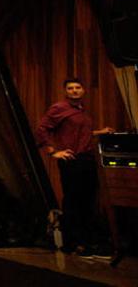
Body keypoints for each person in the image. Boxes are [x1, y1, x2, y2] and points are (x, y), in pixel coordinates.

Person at [35, 78, 113, 257]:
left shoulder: (81, 110)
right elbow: (41, 129)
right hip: (72, 160)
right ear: (65, 91)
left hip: (87, 159)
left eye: (78, 87)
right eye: (70, 88)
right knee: (73, 202)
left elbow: (79, 133)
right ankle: (73, 243)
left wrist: (100, 132)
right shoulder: (59, 108)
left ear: (83, 90)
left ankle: (86, 241)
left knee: (87, 201)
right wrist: (53, 151)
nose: (74, 90)